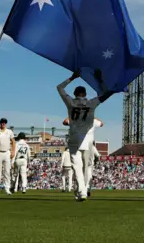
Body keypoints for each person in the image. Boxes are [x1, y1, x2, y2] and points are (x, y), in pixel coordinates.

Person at [57, 69, 112, 202]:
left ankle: (81, 191)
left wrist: (72, 77)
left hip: (74, 136)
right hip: (87, 139)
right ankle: (83, 190)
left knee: (76, 166)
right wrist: (99, 79)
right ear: (85, 94)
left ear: (75, 94)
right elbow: (106, 93)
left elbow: (59, 87)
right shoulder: (91, 103)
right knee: (85, 167)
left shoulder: (71, 102)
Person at [62, 116, 103, 197]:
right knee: (86, 170)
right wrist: (92, 115)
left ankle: (81, 190)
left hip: (77, 145)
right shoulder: (92, 121)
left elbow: (65, 122)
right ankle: (85, 189)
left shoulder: (76, 120)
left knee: (78, 169)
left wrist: (73, 113)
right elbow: (101, 123)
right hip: (88, 146)